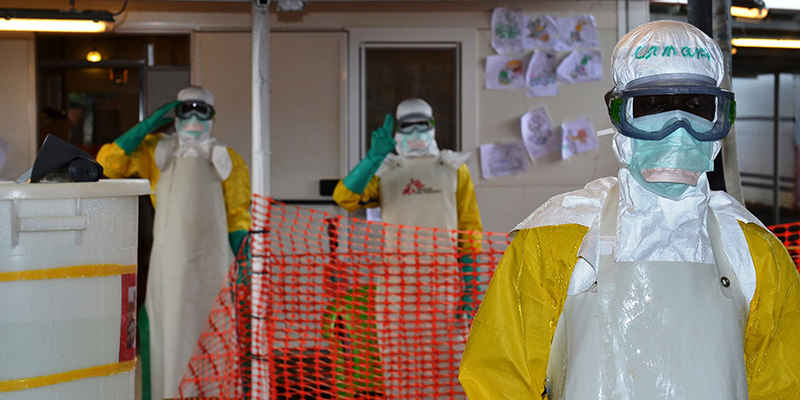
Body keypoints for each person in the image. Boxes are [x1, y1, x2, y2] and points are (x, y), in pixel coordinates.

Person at [459, 21, 800, 399]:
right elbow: (500, 375)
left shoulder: (756, 252)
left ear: (720, 121)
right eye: (653, 107)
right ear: (619, 117)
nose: (678, 130)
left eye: (697, 107)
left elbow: (783, 382)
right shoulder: (558, 237)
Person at [96, 86, 251, 400]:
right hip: (170, 264)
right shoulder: (155, 151)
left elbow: (237, 215)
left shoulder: (227, 159)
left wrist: (244, 261)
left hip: (213, 265)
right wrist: (144, 128)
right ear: (176, 115)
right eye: (186, 110)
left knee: (213, 329)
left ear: (213, 116)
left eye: (201, 111)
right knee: (169, 329)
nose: (194, 118)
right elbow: (109, 165)